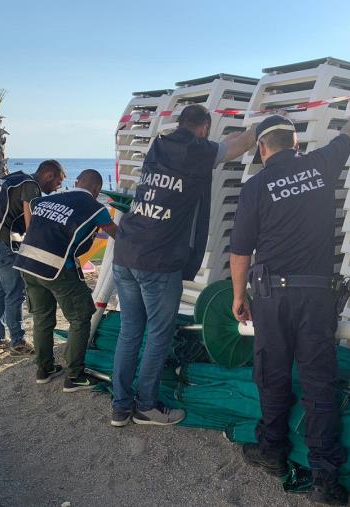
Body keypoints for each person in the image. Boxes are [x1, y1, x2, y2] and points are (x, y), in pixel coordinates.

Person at [228, 93, 350, 505]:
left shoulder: (255, 187)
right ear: (296, 145)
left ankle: (272, 451)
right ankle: (326, 479)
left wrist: (239, 296)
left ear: (262, 148)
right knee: (319, 384)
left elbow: (240, 252)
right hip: (316, 296)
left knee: (271, 375)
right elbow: (349, 134)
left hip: (272, 297)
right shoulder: (321, 165)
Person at [109, 104, 258, 427]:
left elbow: (222, 145)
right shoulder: (198, 152)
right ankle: (146, 406)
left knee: (130, 332)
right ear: (204, 127)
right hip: (158, 261)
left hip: (126, 250)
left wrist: (225, 140)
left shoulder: (160, 145)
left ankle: (120, 406)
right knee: (159, 334)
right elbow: (241, 145)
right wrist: (261, 125)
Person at [13, 169, 117, 391]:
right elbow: (118, 234)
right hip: (56, 268)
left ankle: (45, 369)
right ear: (97, 190)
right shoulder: (96, 208)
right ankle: (75, 376)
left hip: (26, 263)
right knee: (81, 317)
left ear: (77, 182)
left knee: (42, 316)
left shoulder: (45, 200)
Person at [0, 160, 65, 355]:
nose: (57, 188)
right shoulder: (31, 185)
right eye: (58, 183)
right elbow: (30, 221)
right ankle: (18, 341)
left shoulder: (14, 177)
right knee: (15, 291)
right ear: (49, 175)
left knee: (0, 289)